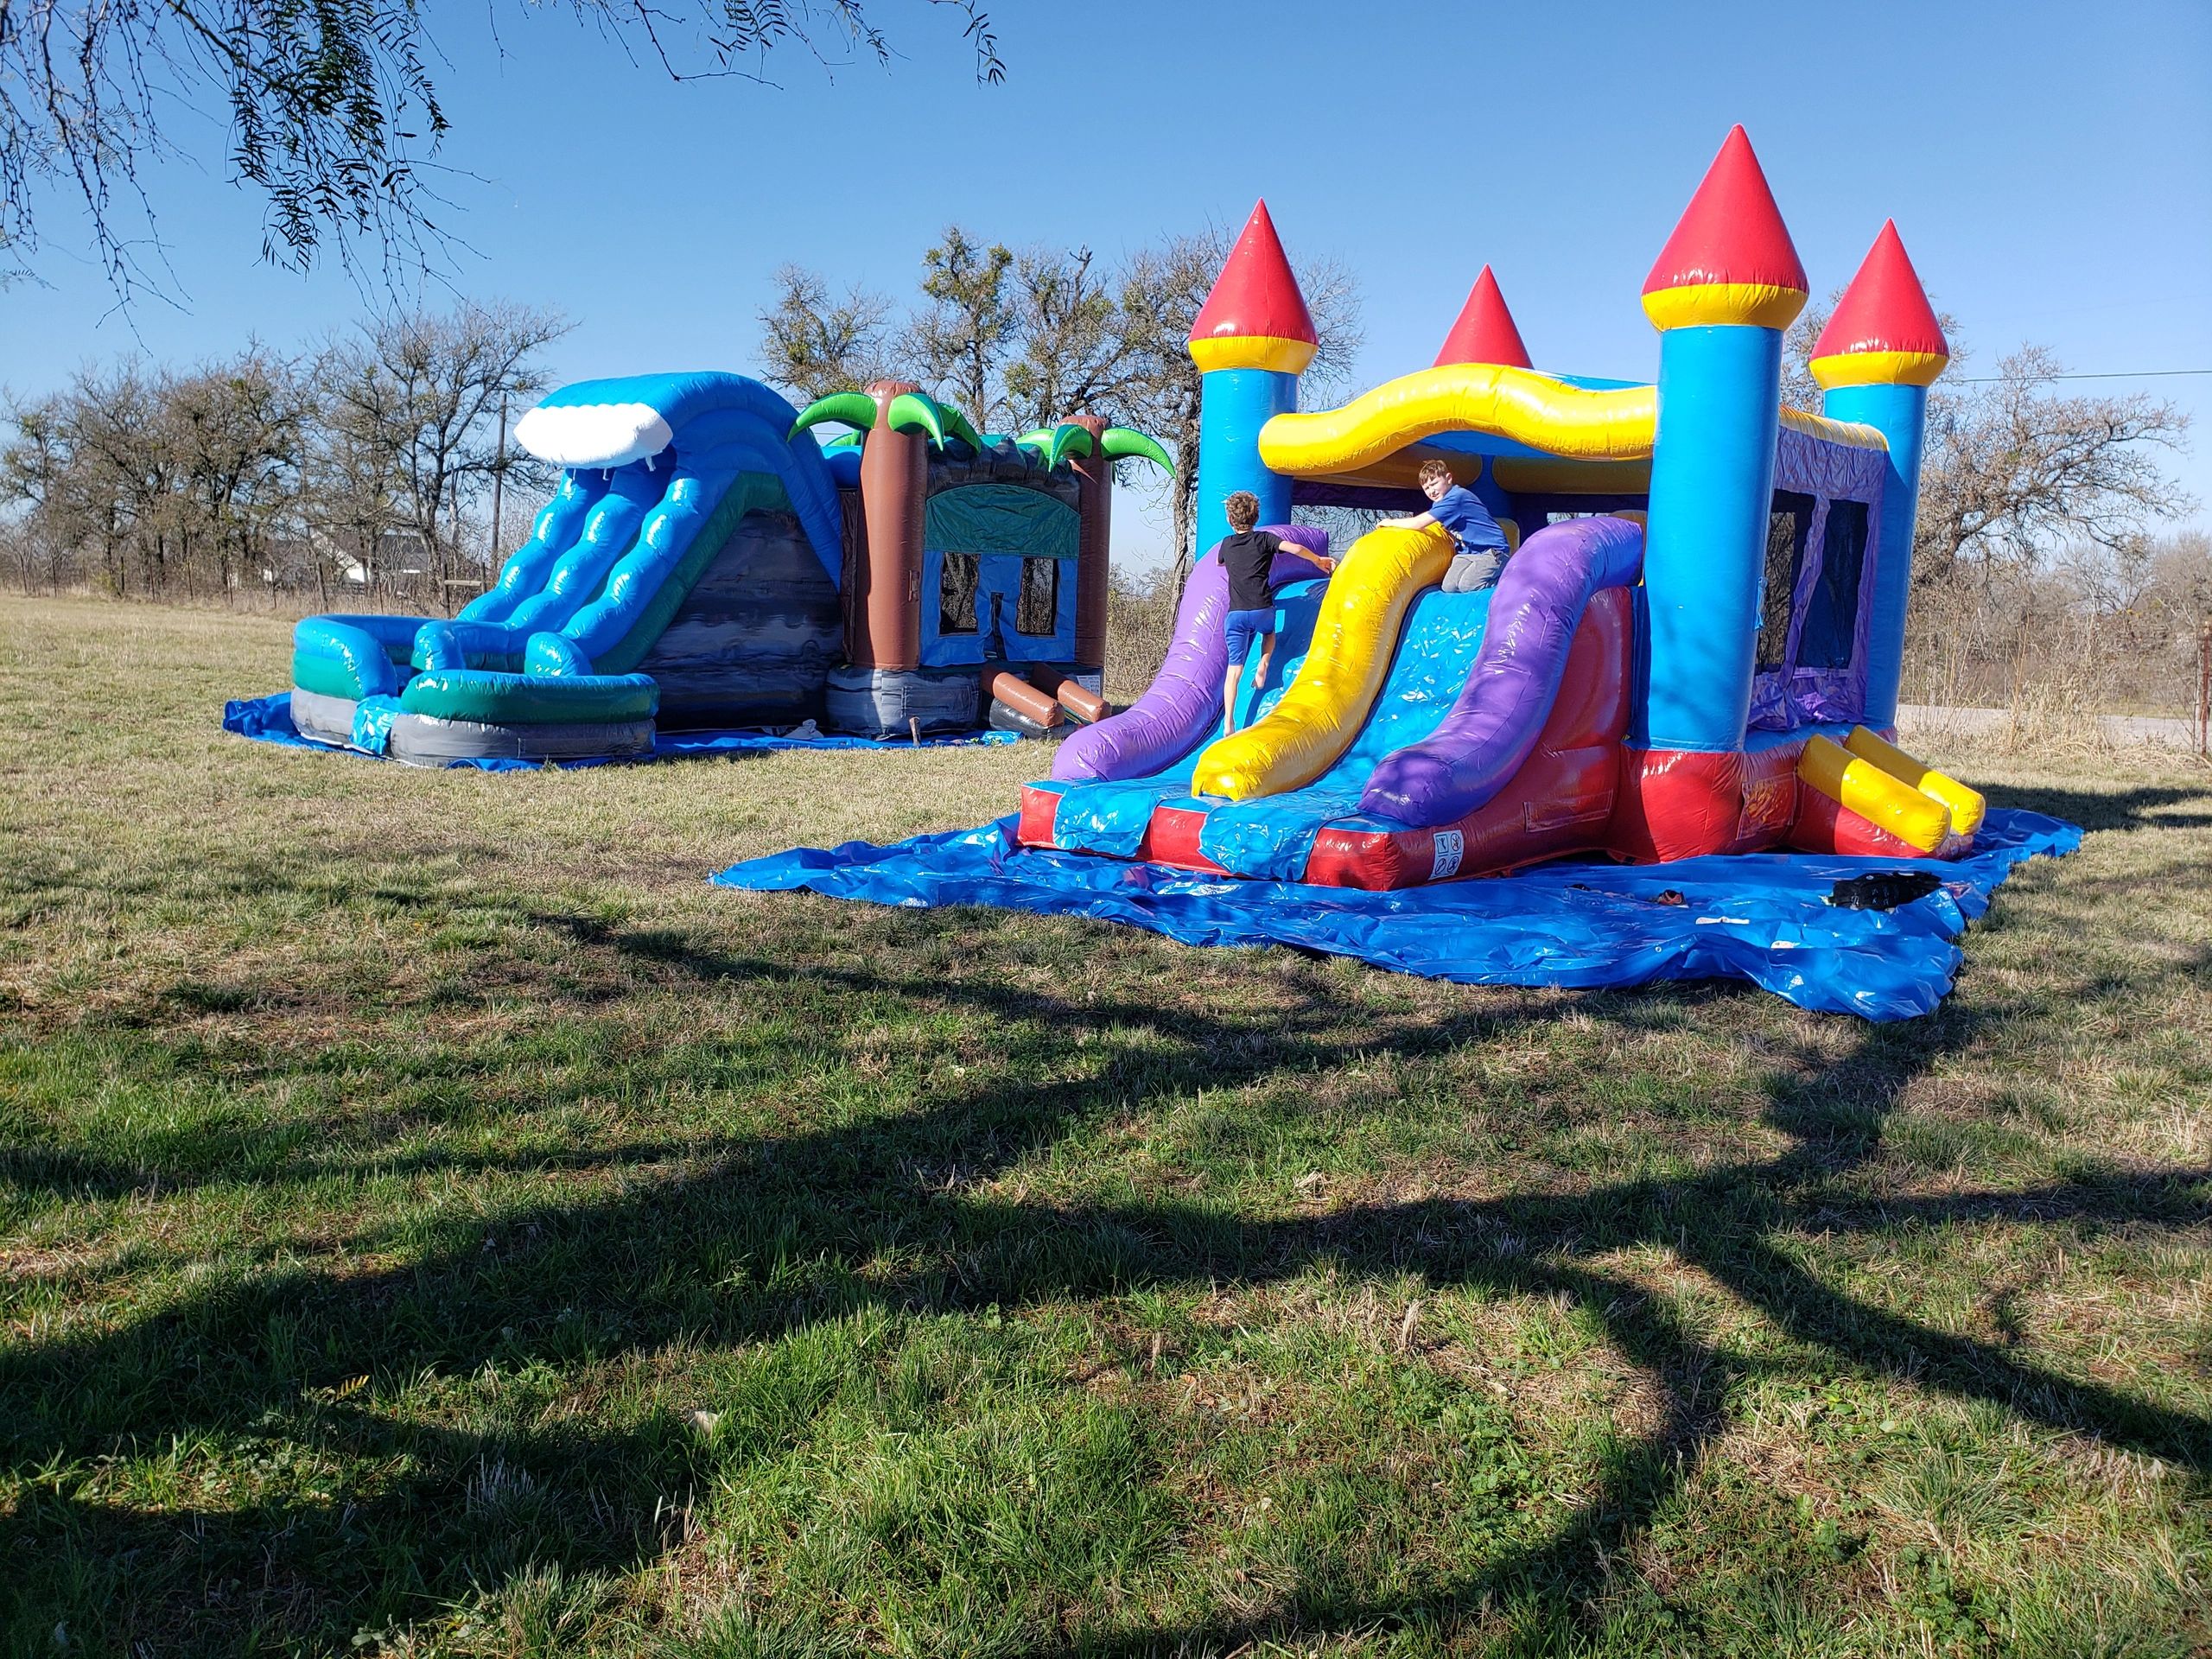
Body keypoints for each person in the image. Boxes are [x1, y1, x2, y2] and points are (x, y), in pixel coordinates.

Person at [1217, 491, 1332, 734]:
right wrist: (1317, 560)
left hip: (1236, 614)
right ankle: (1264, 665)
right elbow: (1296, 548)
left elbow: (1220, 563)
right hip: (1262, 609)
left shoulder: (1226, 544)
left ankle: (1228, 721)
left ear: (1230, 520)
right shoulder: (1264, 539)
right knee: (1268, 634)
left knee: (1233, 671)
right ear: (1256, 517)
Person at [1382, 458, 1511, 592]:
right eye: (1426, 488)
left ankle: (1507, 580)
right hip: (1468, 553)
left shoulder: (1456, 497)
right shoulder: (1440, 503)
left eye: (1434, 484)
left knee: (1468, 585)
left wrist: (1389, 522)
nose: (1431, 491)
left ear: (1448, 478)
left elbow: (1418, 523)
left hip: (1493, 551)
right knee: (1449, 587)